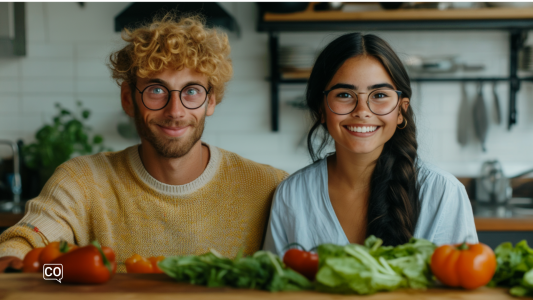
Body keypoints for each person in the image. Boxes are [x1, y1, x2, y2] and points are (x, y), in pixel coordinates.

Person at [0, 15, 287, 273]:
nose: (175, 111)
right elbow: (26, 241)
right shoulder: (82, 182)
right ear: (128, 99)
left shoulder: (269, 186)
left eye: (191, 91)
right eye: (156, 90)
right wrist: (34, 269)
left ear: (210, 101)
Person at [263, 33, 478, 256]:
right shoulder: (292, 195)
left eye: (380, 95)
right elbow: (277, 286)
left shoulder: (443, 193)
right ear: (321, 110)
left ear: (401, 110)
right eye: (345, 94)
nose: (362, 111)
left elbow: (458, 285)